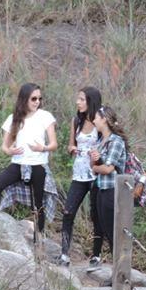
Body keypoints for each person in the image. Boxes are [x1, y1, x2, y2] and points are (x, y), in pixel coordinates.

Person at [0, 83, 57, 241]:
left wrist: (42, 148)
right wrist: (9, 150)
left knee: (37, 203)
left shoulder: (45, 116)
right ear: (24, 99)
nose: (37, 101)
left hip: (37, 165)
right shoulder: (14, 119)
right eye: (33, 98)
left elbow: (54, 144)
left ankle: (39, 239)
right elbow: (5, 146)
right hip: (18, 163)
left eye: (39, 98)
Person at [58, 87, 103, 266]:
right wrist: (72, 149)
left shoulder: (100, 122)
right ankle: (64, 254)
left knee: (96, 215)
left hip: (96, 174)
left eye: (82, 99)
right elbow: (70, 145)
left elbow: (109, 142)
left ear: (91, 102)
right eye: (78, 99)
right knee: (68, 211)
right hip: (79, 173)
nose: (78, 102)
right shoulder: (76, 120)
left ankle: (96, 255)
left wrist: (98, 155)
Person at [87, 106, 127, 264]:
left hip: (112, 190)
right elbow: (94, 165)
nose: (94, 120)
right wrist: (95, 161)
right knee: (105, 229)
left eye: (96, 117)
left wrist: (96, 167)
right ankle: (117, 273)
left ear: (104, 119)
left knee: (113, 232)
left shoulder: (116, 141)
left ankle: (120, 274)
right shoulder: (100, 140)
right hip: (101, 188)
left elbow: (108, 168)